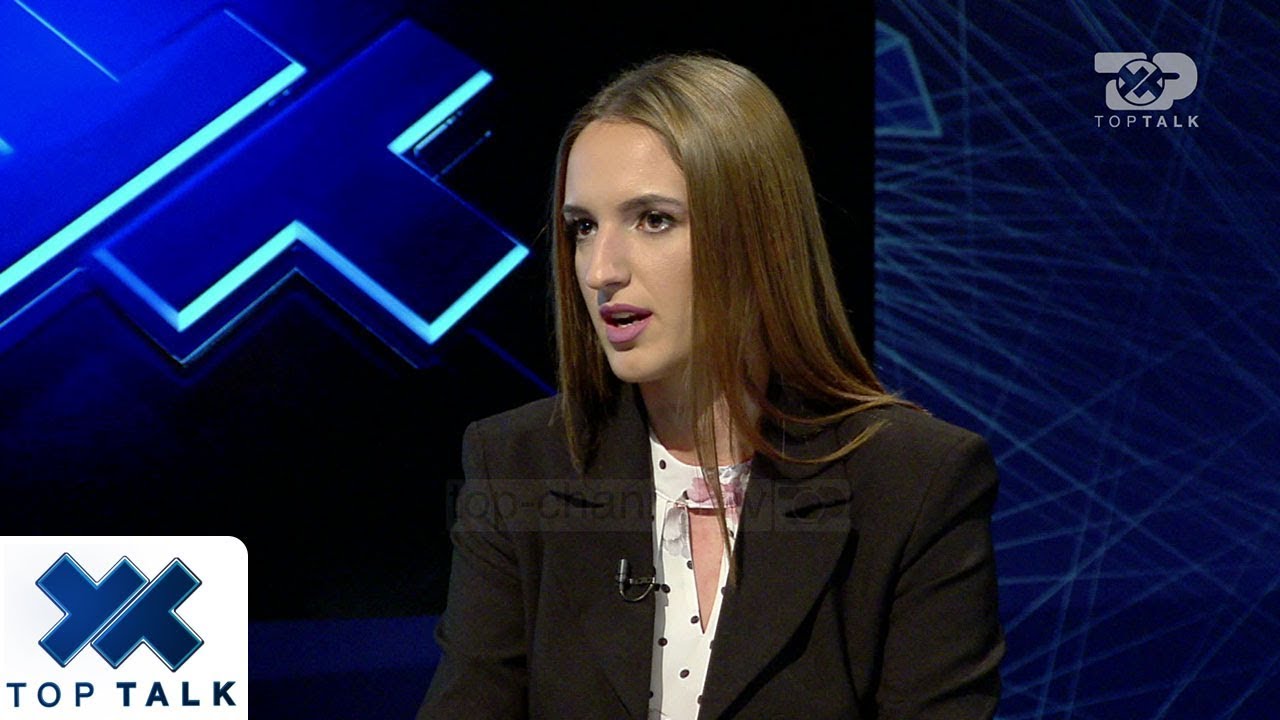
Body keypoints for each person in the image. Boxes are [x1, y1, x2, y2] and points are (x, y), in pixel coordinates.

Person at [418, 53, 1004, 719]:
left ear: (758, 234)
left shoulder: (915, 481)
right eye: (583, 226)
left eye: (653, 219)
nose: (601, 270)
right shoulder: (517, 463)